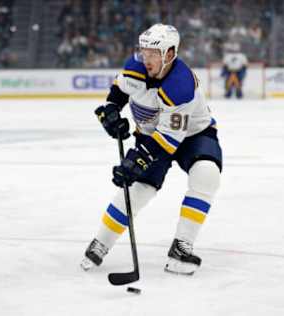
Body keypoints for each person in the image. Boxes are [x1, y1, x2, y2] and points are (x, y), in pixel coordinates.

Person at [80, 24, 222, 275]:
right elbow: (118, 91)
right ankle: (101, 242)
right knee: (138, 189)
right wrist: (112, 110)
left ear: (169, 54)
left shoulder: (181, 85)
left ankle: (181, 247)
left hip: (193, 135)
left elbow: (169, 139)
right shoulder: (135, 66)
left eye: (153, 53)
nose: (146, 58)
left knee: (207, 173)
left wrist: (138, 159)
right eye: (144, 51)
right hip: (151, 134)